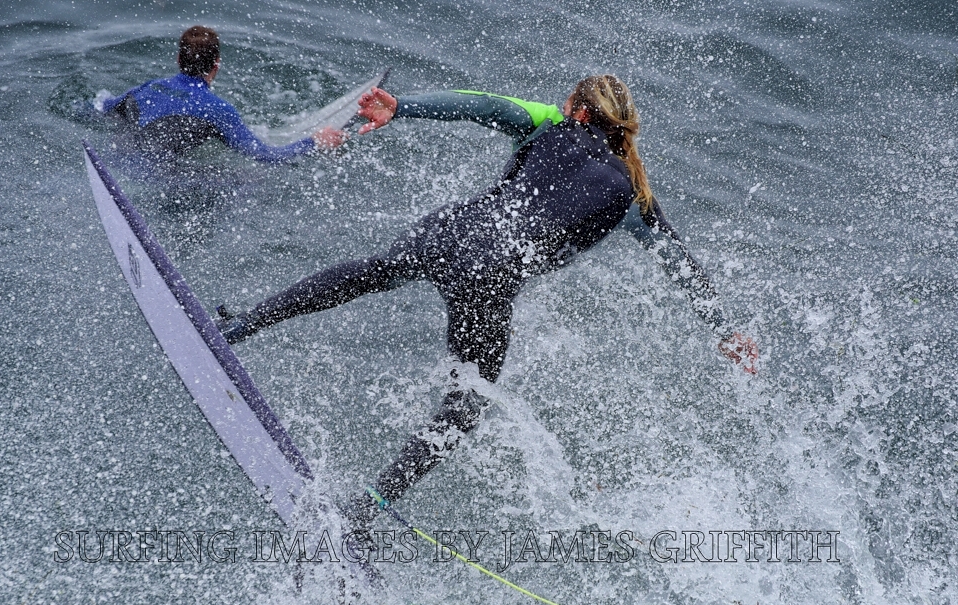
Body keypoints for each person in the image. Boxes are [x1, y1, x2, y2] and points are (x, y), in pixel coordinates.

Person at [217, 75, 759, 531]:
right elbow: (680, 263)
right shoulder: (634, 196)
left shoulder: (550, 122)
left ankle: (241, 325)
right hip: (493, 271)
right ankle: (367, 508)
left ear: (575, 108)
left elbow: (480, 107)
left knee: (372, 272)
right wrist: (724, 330)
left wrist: (403, 107)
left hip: (453, 229)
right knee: (465, 405)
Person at [101, 25, 345, 161]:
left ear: (178, 59)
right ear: (217, 65)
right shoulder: (218, 110)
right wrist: (313, 141)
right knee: (249, 180)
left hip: (120, 158)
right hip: (162, 176)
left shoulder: (147, 87)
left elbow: (102, 109)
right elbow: (266, 156)